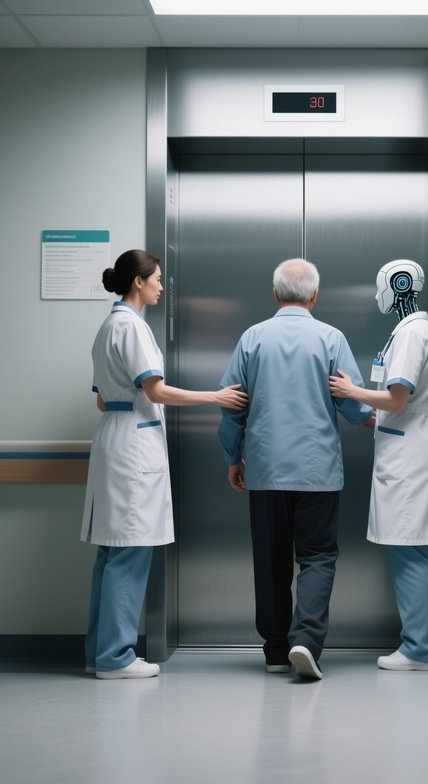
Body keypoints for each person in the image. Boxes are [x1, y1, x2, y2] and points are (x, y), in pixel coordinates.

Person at [82, 249, 247, 680]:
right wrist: (216, 397)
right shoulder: (131, 328)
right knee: (130, 553)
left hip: (114, 437)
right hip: (132, 446)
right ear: (138, 282)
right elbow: (155, 391)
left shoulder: (108, 327)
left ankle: (98, 653)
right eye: (157, 278)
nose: (161, 285)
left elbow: (102, 397)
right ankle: (116, 658)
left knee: (112, 554)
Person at [218, 258, 373, 681]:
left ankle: (274, 650)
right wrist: (375, 418)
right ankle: (305, 639)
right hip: (317, 469)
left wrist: (234, 457)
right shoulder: (331, 338)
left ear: (275, 294)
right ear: (315, 296)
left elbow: (231, 404)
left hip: (265, 469)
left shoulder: (252, 338)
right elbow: (352, 402)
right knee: (318, 556)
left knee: (270, 559)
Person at [329, 259, 428, 671]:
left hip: (410, 453)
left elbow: (398, 397)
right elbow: (399, 403)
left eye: (379, 285)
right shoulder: (415, 331)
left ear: (399, 285)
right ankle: (423, 645)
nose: (375, 295)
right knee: (414, 548)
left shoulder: (412, 334)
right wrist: (372, 415)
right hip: (409, 443)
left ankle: (419, 649)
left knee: (409, 548)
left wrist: (353, 390)